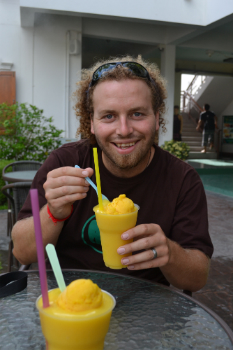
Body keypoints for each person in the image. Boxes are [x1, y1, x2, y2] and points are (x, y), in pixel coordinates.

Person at [12, 56, 213, 292]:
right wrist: (53, 214)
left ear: (157, 118)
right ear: (92, 123)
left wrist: (170, 253)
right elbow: (21, 252)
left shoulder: (182, 180)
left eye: (137, 114)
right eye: (109, 116)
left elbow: (197, 278)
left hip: (145, 309)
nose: (124, 130)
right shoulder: (65, 163)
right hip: (68, 302)